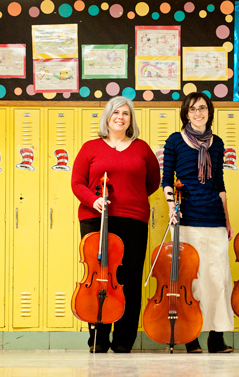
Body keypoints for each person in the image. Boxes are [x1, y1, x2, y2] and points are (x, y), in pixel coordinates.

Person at [71, 96, 161, 353]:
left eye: (126, 113)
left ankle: (124, 340)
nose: (120, 117)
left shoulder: (142, 148)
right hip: (96, 218)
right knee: (99, 279)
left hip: (133, 219)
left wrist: (132, 198)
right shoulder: (90, 148)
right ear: (107, 118)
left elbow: (152, 182)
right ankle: (98, 338)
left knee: (129, 280)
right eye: (116, 113)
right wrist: (94, 200)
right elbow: (77, 182)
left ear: (131, 119)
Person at [161, 92, 234, 353]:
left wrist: (227, 219)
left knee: (218, 279)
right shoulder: (174, 141)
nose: (198, 113)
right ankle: (190, 335)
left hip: (213, 218)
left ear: (209, 112)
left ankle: (216, 336)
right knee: (192, 281)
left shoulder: (217, 143)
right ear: (186, 113)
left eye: (202, 108)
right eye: (192, 109)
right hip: (187, 219)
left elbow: (220, 184)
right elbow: (167, 179)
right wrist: (172, 207)